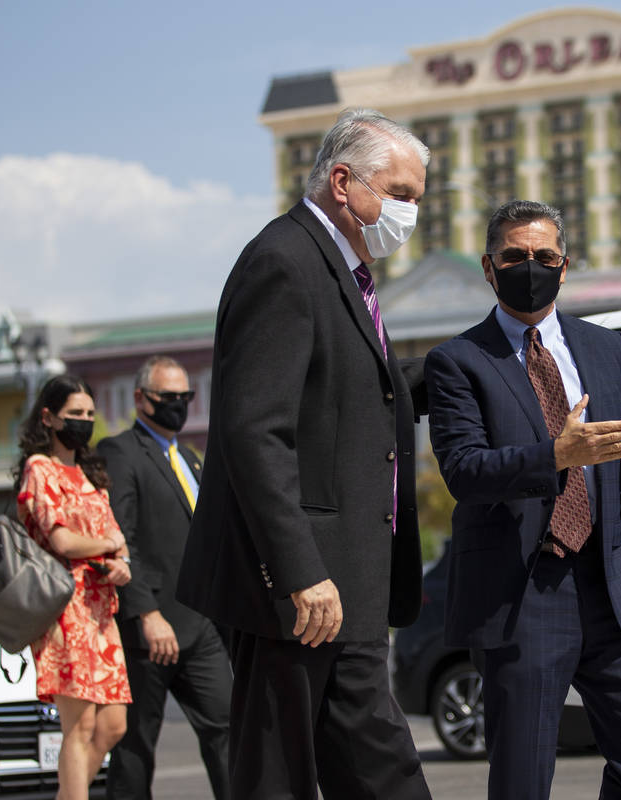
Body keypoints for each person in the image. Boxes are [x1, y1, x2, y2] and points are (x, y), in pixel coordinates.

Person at [176, 108, 431, 800]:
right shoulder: (285, 262)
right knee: (278, 772)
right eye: (399, 194)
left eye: (416, 198)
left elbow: (348, 399)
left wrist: (455, 367)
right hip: (300, 586)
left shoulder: (343, 273)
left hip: (344, 579)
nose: (408, 214)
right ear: (343, 182)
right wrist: (298, 571)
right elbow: (254, 430)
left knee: (372, 759)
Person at [425, 199, 621, 800]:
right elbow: (465, 472)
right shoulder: (458, 361)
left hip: (610, 585)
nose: (531, 267)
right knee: (523, 778)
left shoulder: (606, 349)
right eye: (514, 256)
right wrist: (556, 455)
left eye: (544, 257)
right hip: (522, 593)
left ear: (565, 266)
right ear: (489, 268)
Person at [98, 355, 231, 800]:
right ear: (140, 399)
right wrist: (148, 613)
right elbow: (120, 537)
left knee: (227, 730)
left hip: (201, 626)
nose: (179, 405)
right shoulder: (119, 453)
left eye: (186, 397)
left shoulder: (190, 458)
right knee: (136, 747)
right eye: (168, 397)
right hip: (148, 631)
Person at [14, 374, 132, 800]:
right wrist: (109, 548)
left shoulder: (88, 473)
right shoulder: (38, 469)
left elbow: (116, 539)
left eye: (88, 414)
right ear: (48, 417)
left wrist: (120, 564)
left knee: (112, 726)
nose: (83, 421)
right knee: (78, 727)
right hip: (64, 609)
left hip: (102, 612)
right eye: (74, 414)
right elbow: (62, 540)